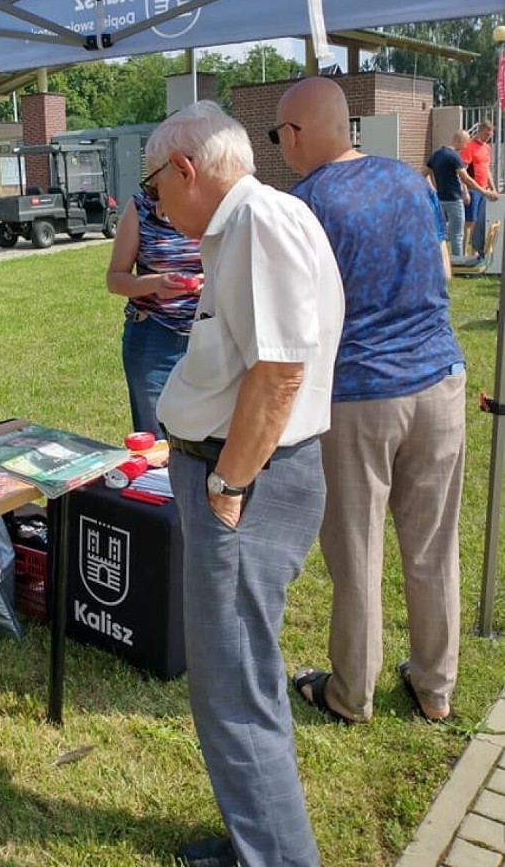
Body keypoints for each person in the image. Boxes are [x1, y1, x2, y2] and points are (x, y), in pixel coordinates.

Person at [146, 101, 344, 867]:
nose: (157, 206)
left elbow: (282, 369)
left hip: (245, 481)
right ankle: (251, 840)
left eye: (156, 189)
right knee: (235, 682)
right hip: (242, 474)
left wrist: (227, 485)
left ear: (186, 168)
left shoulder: (257, 224)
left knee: (236, 690)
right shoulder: (254, 222)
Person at [273, 77, 465, 727]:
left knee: (355, 551)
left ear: (297, 134)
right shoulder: (411, 179)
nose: (280, 147)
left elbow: (292, 316)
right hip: (438, 379)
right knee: (433, 545)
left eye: (279, 135)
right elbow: (441, 270)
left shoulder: (305, 205)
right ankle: (435, 686)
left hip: (360, 394)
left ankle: (350, 693)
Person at [105, 188, 202, 437]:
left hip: (208, 336)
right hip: (153, 337)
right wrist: (156, 284)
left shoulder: (214, 203)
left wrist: (210, 280)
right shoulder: (141, 207)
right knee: (156, 436)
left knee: (205, 433)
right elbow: (115, 280)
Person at [426, 130, 495, 258]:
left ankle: (435, 260)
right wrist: (485, 192)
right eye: (466, 142)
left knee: (439, 233)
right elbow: (466, 179)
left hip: (440, 200)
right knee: (457, 235)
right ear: (460, 140)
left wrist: (433, 190)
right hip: (454, 200)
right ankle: (457, 262)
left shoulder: (436, 154)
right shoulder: (454, 156)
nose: (466, 146)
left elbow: (424, 173)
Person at [460, 120, 497, 254]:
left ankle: (475, 251)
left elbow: (486, 170)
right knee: (469, 222)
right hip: (472, 190)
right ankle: (463, 253)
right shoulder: (469, 147)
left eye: (489, 136)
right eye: (486, 135)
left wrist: (493, 188)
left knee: (479, 221)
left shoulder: (487, 148)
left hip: (484, 189)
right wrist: (465, 192)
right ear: (480, 131)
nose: (487, 138)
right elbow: (462, 171)